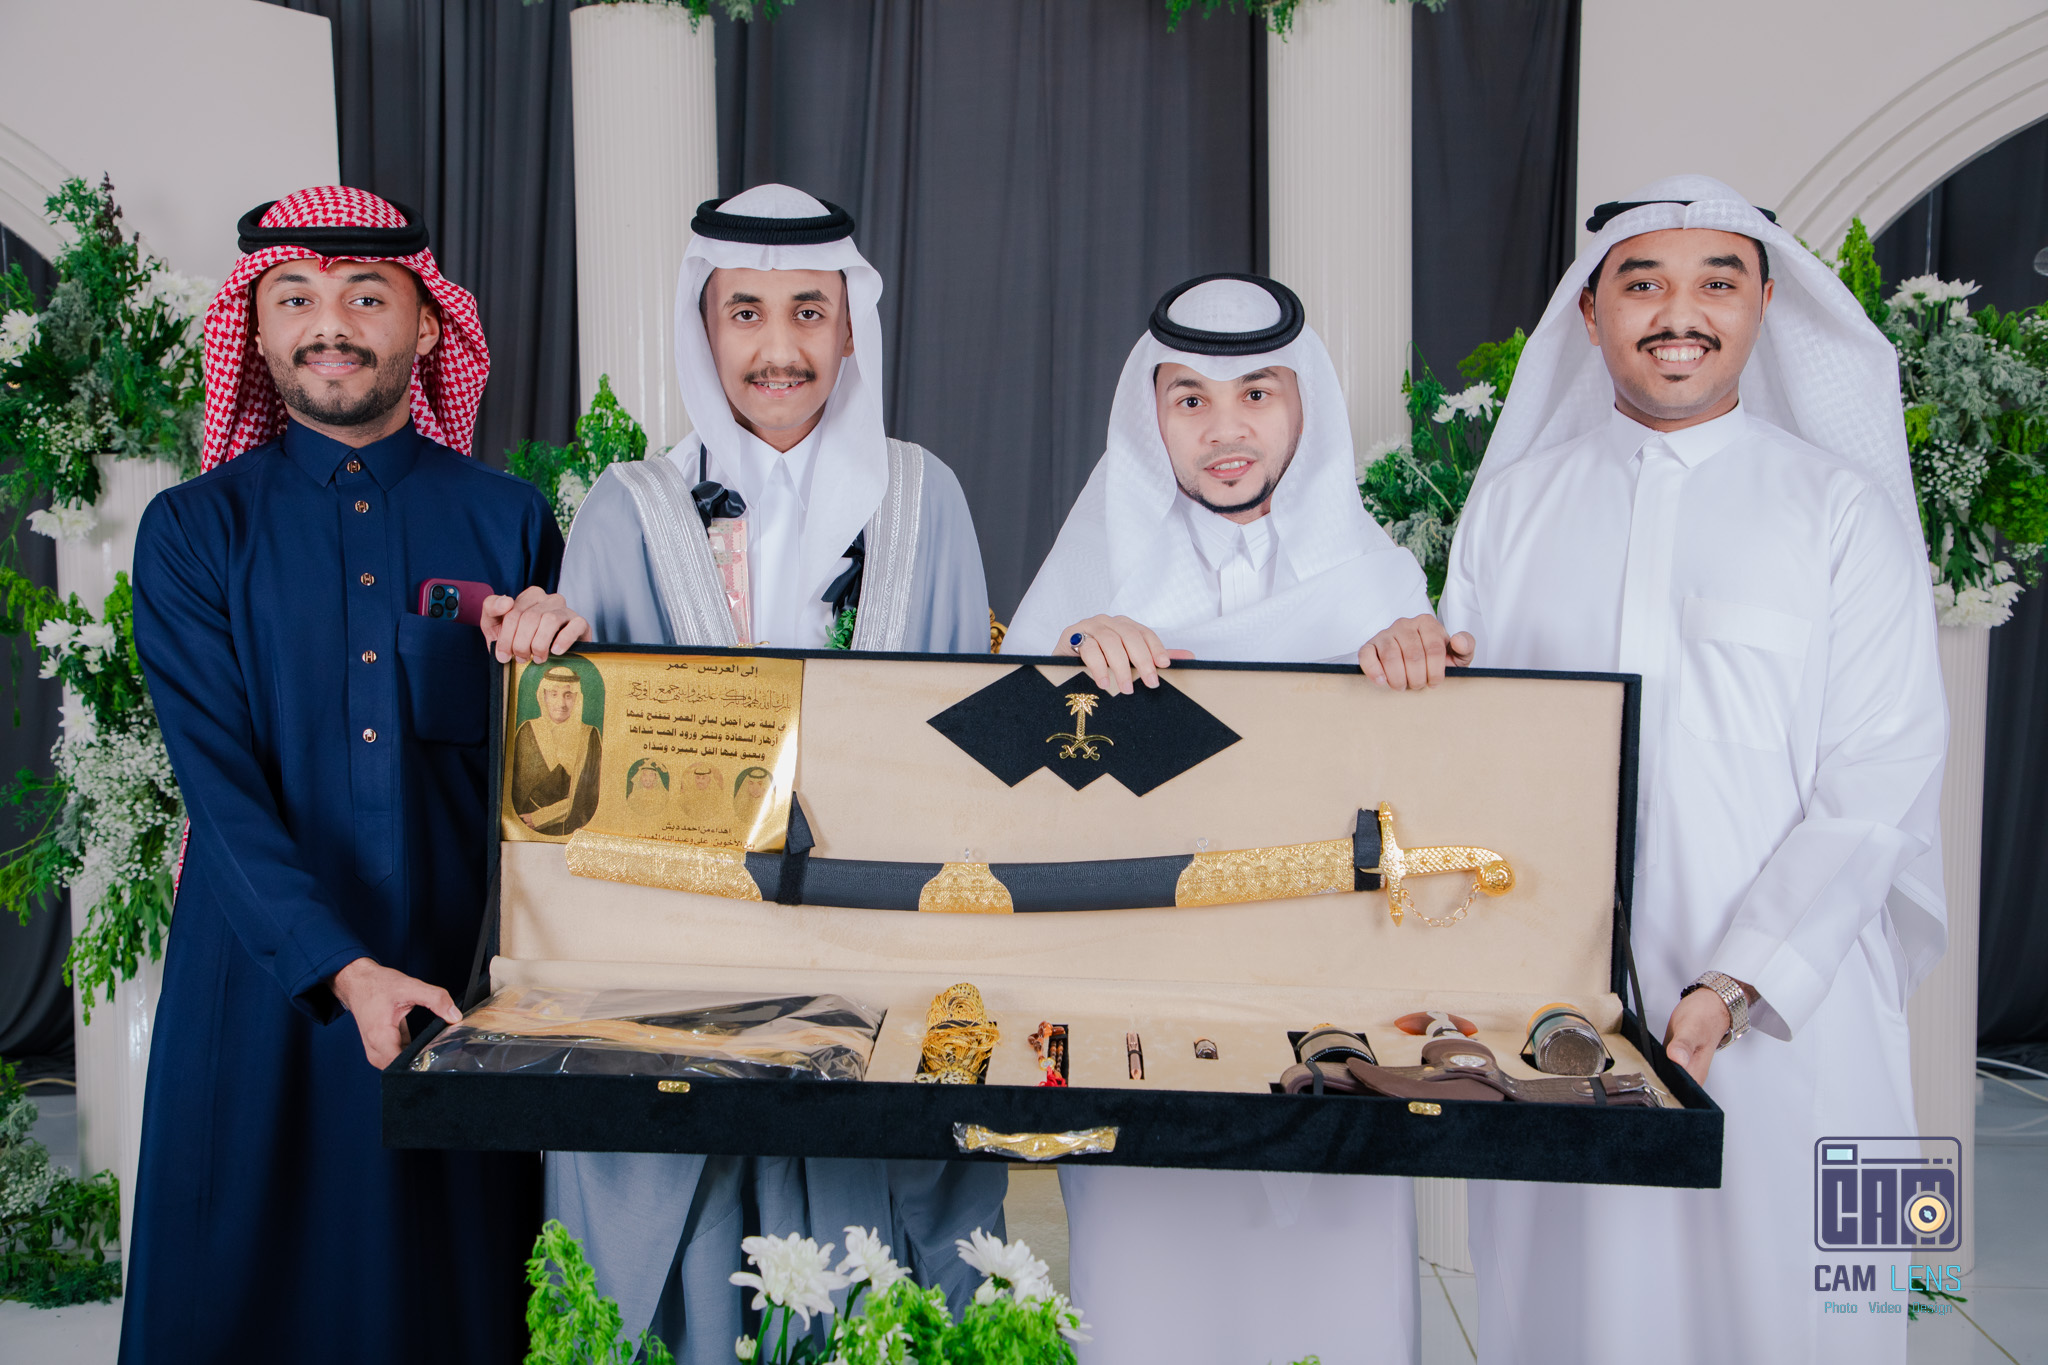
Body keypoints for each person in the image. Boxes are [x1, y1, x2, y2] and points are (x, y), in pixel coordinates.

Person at [1428, 175, 1946, 1364]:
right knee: (1579, 1313)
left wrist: (1738, 980)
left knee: (1811, 1308)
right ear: (1588, 312)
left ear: (1762, 304)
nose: (1679, 314)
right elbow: (1468, 758)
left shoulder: (1842, 512)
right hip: (1564, 1009)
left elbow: (1879, 775)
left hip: (1795, 1000)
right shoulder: (1510, 511)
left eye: (1716, 282)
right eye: (1642, 284)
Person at [489, 183, 1005, 1363]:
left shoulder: (923, 497)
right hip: (678, 975)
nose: (779, 348)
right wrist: (552, 651)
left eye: (808, 312)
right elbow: (579, 774)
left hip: (876, 957)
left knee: (869, 1260)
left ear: (849, 324)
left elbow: (965, 745)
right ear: (704, 326)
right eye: (746, 313)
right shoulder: (627, 509)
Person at [124, 186, 577, 1363]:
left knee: (447, 1300)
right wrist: (341, 968)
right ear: (257, 329)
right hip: (261, 983)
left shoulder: (509, 521)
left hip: (457, 986)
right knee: (245, 1299)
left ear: (427, 327)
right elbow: (220, 792)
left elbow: (549, 787)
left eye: (367, 296)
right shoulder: (193, 531)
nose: (330, 324)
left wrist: (569, 664)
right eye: (296, 298)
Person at [1009, 272, 1446, 1365]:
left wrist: (1416, 660)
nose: (1225, 429)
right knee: (1151, 1305)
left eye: (1257, 394)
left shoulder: (1376, 577)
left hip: (1335, 1003)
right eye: (1190, 399)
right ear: (1150, 416)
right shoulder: (1093, 570)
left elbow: (1430, 791)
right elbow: (1013, 787)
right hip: (1144, 1004)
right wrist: (1073, 661)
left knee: (1338, 1307)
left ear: (1303, 406)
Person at [510, 663, 603, 834]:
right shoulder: (527, 730)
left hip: (574, 832)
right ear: (543, 696)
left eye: (568, 695)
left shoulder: (590, 735)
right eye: (554, 694)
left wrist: (543, 817)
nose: (561, 703)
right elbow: (517, 792)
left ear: (577, 698)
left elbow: (590, 795)